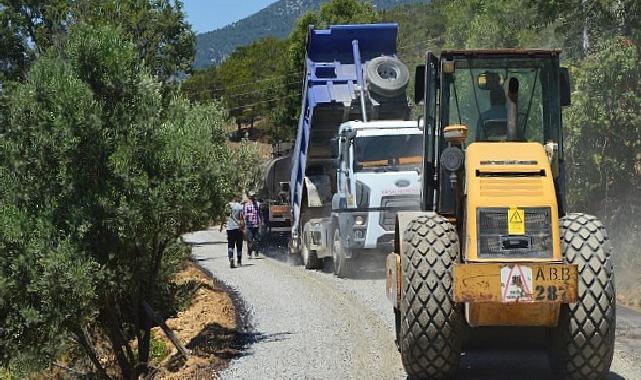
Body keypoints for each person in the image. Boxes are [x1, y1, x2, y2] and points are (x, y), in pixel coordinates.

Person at [225, 196, 244, 268]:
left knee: (230, 244)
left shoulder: (227, 205)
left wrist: (221, 226)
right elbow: (242, 217)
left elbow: (225, 216)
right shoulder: (240, 206)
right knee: (239, 245)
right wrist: (242, 226)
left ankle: (231, 258)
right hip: (238, 228)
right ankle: (239, 261)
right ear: (236, 198)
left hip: (230, 228)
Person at [243, 191, 262, 257]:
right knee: (250, 240)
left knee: (257, 240)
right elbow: (245, 215)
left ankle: (256, 252)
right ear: (249, 197)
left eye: (253, 197)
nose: (252, 199)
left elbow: (260, 214)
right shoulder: (246, 205)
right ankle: (250, 253)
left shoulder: (258, 204)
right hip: (249, 225)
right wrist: (245, 225)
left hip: (256, 225)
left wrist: (261, 223)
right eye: (251, 197)